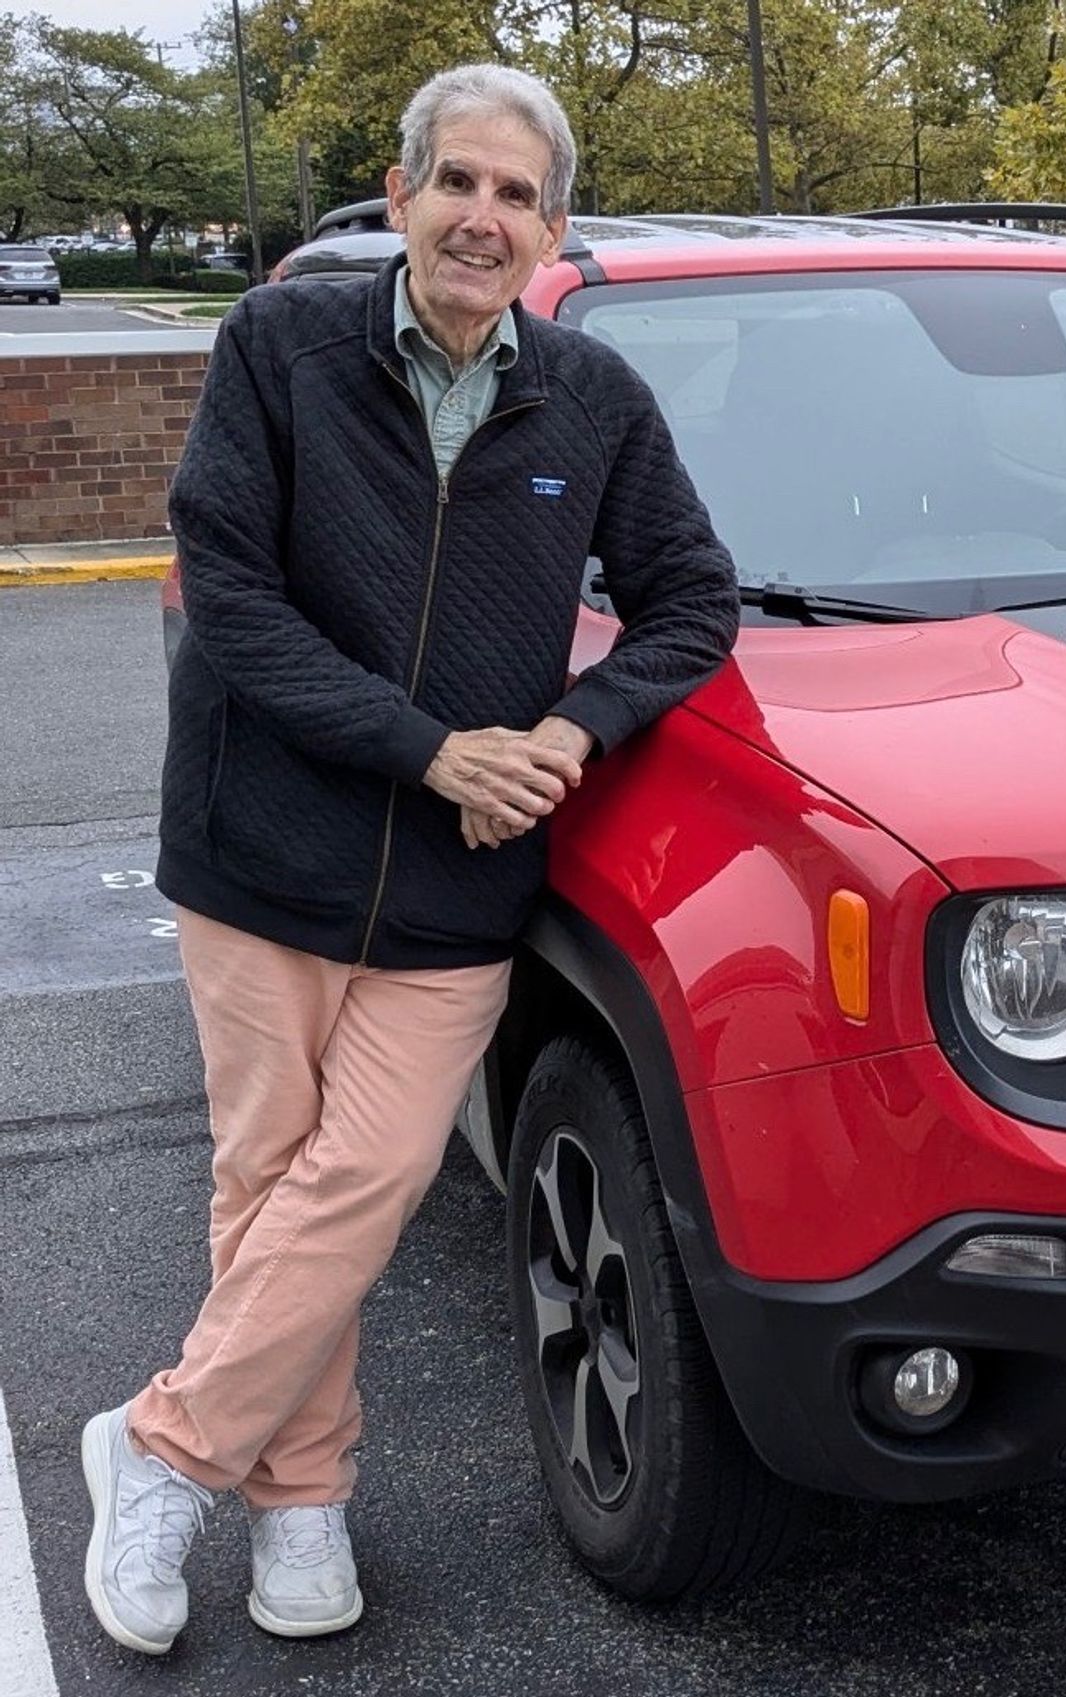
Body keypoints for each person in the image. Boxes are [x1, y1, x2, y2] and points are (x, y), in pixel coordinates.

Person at [80, 63, 740, 1655]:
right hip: (262, 855)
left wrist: (574, 735)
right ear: (401, 195)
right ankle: (302, 1498)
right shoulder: (279, 345)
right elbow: (229, 594)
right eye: (458, 181)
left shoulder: (592, 402)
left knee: (360, 1183)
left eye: (516, 196)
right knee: (267, 1181)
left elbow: (692, 602)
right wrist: (427, 746)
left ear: (550, 227)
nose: (482, 216)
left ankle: (158, 1445)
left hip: (455, 894)